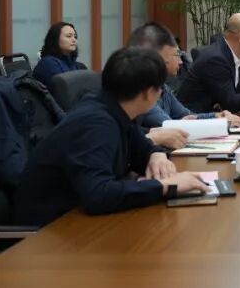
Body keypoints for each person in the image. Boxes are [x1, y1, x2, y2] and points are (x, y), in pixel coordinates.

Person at [14, 47, 209, 227]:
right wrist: (166, 185)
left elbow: (140, 148)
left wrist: (155, 154)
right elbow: (98, 195)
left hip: (77, 218)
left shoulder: (117, 109)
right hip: (50, 229)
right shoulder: (97, 124)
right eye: (160, 89)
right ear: (149, 93)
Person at [127, 22, 240, 150]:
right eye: (177, 55)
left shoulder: (162, 86)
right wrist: (219, 123)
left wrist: (216, 116)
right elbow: (171, 128)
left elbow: (185, 115)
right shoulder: (142, 92)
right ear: (157, 58)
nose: (181, 61)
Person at [32, 22, 88, 87]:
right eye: (69, 36)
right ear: (55, 39)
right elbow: (64, 88)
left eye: (75, 37)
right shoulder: (47, 63)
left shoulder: (79, 66)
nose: (74, 40)